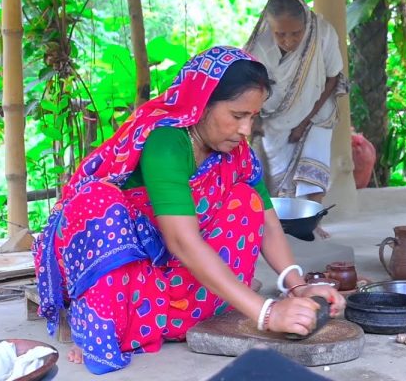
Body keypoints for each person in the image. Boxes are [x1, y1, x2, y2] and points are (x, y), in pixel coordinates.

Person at [31, 46, 345, 375]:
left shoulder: (237, 153)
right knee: (98, 201)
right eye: (238, 116)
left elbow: (267, 222)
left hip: (175, 267)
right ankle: (101, 322)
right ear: (201, 103)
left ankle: (182, 315)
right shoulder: (166, 142)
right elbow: (182, 241)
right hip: (127, 268)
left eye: (253, 117)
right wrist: (267, 314)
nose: (246, 130)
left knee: (246, 200)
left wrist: (298, 286)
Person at [244, 0, 347, 239]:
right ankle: (281, 227)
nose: (288, 41)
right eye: (280, 34)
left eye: (295, 33)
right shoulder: (258, 45)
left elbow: (333, 77)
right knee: (273, 176)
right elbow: (252, 85)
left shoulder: (322, 33)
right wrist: (253, 119)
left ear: (306, 24)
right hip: (274, 117)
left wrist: (304, 122)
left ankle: (312, 223)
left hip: (316, 110)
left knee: (313, 168)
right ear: (269, 26)